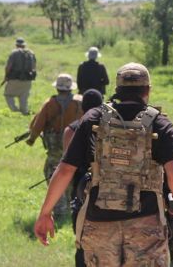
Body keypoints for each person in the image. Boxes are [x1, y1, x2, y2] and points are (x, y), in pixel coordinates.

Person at [34, 62, 173, 267]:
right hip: (146, 225)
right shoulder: (160, 124)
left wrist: (45, 213)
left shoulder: (93, 119)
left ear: (117, 90)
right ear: (148, 90)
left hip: (100, 224)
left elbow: (65, 171)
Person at [26, 73, 84, 218]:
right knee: (72, 173)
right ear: (71, 88)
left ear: (57, 88)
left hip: (54, 147)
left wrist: (32, 139)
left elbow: (37, 124)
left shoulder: (49, 103)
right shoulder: (79, 102)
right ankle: (73, 204)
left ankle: (60, 209)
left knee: (52, 173)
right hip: (73, 144)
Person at [62, 88, 103, 267]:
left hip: (80, 194)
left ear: (81, 106)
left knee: (81, 244)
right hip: (104, 192)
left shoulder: (71, 130)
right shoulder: (110, 128)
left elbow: (67, 164)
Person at [3, 37, 37, 115]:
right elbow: (34, 67)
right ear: (24, 45)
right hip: (28, 79)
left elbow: (8, 67)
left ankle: (15, 111)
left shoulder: (14, 53)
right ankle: (24, 112)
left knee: (8, 95)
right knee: (23, 96)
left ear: (16, 45)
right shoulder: (31, 53)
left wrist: (6, 76)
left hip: (14, 78)